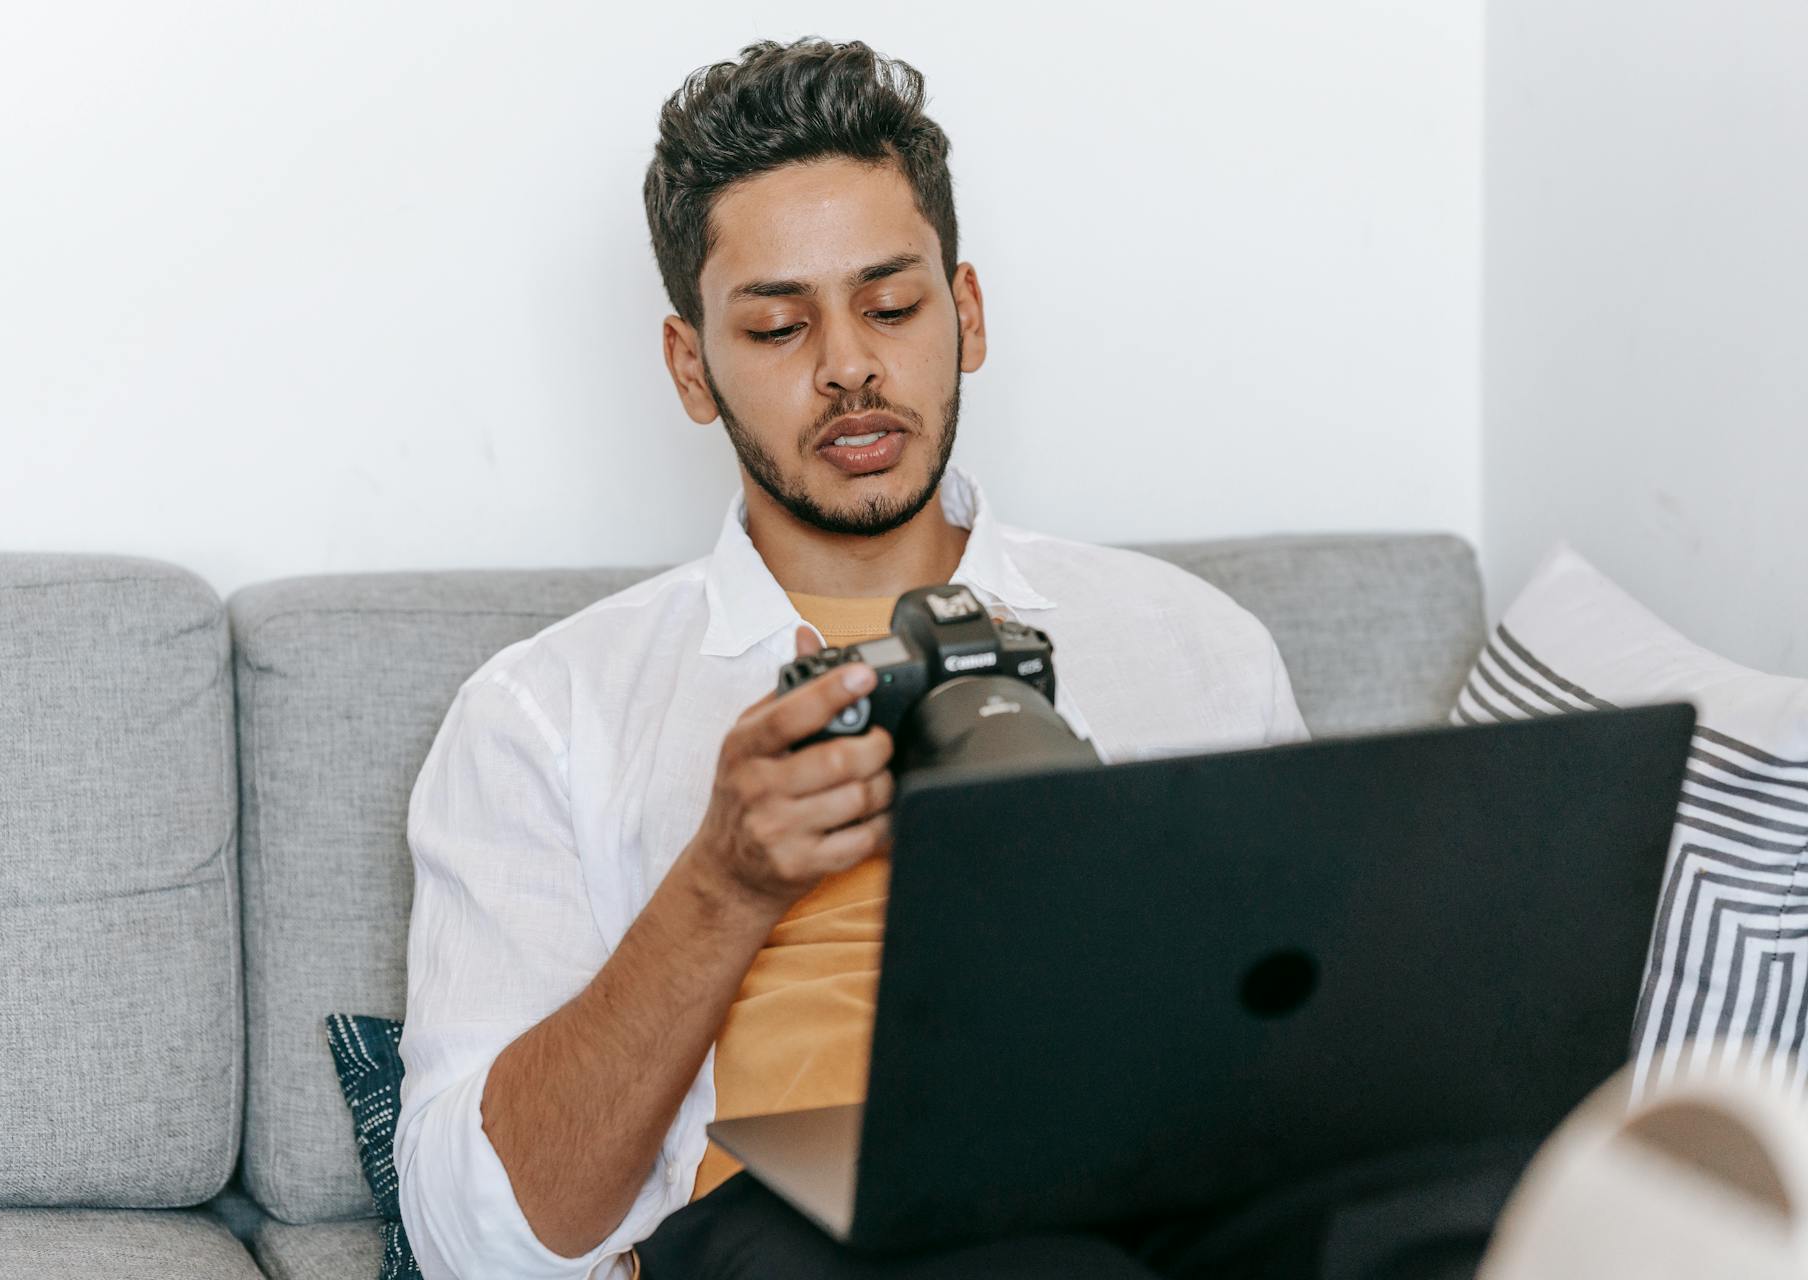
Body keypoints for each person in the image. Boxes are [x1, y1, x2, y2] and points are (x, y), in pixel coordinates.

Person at [394, 37, 1309, 1280]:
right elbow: (476, 1241)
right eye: (777, 326)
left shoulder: (1193, 648)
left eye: (890, 306)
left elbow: (1316, 1065)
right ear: (691, 367)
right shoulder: (546, 713)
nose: (848, 366)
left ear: (967, 313)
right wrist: (722, 882)